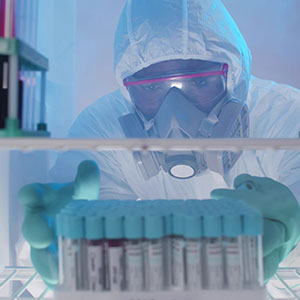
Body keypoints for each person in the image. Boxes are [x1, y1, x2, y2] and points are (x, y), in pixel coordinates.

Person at [19, 0, 300, 289]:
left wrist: (294, 230)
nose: (175, 114)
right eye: (152, 87)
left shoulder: (288, 118)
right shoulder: (102, 128)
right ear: (128, 90)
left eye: (200, 83)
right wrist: (60, 241)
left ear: (233, 79)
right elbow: (35, 261)